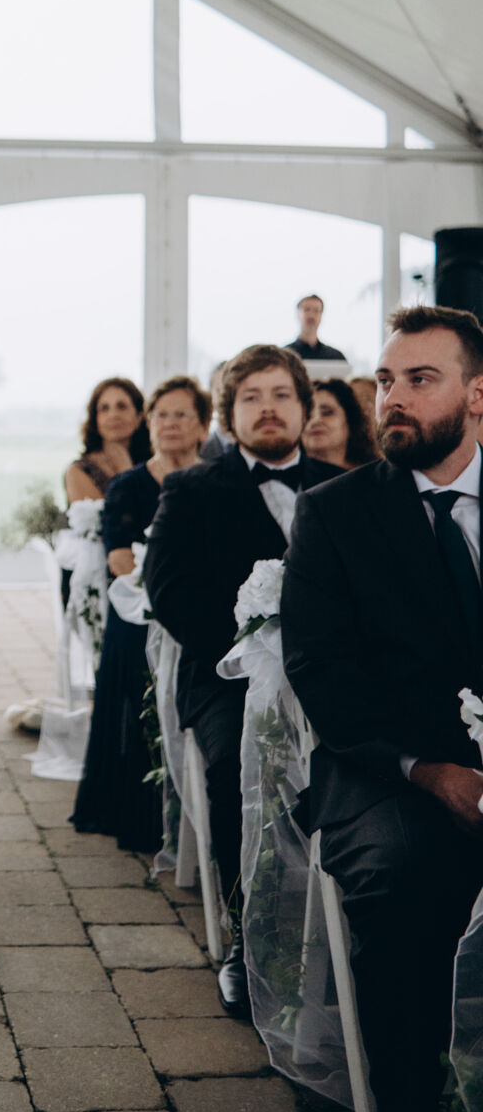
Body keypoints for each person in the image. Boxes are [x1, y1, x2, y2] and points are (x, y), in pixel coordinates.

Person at [283, 304, 483, 1112]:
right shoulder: (337, 512)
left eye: (418, 379)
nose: (390, 399)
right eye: (383, 381)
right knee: (402, 878)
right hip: (386, 766)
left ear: (477, 394)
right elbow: (321, 669)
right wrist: (429, 769)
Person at [144, 344, 339, 1016]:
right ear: (229, 415)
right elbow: (170, 593)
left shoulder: (347, 486)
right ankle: (245, 938)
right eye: (251, 397)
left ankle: (346, 925)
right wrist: (257, 652)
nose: (268, 408)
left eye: (282, 394)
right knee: (237, 762)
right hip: (227, 678)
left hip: (334, 677)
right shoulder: (191, 489)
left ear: (306, 407)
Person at [74, 375, 210, 853]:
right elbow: (120, 560)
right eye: (161, 415)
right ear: (148, 425)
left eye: (181, 414)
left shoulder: (217, 479)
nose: (170, 424)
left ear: (203, 426)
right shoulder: (128, 486)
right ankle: (144, 815)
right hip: (140, 613)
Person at [65, 377, 149, 503]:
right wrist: (126, 473)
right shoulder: (79, 471)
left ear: (139, 417)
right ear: (95, 419)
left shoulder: (153, 464)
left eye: (121, 406)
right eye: (104, 408)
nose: (113, 415)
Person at [301, 376, 377, 470]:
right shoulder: (286, 475)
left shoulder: (375, 474)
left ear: (350, 421)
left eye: (327, 412)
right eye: (308, 415)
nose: (315, 421)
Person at [285, 293, 351, 379]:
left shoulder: (336, 357)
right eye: (307, 310)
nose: (311, 315)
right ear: (297, 314)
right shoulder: (284, 356)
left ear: (321, 315)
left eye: (316, 311)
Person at [200, 360, 232, 462]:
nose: (225, 397)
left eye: (230, 391)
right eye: (219, 390)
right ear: (211, 395)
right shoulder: (199, 451)